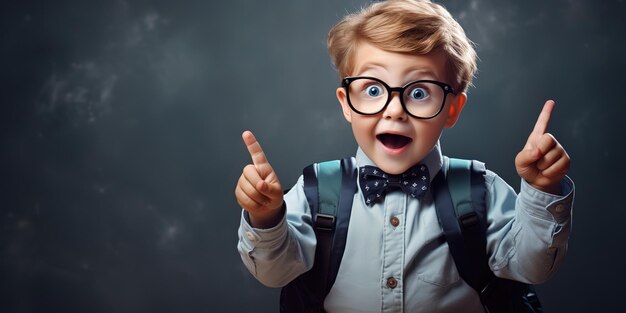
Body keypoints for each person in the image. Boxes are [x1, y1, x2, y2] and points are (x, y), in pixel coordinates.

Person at [234, 0, 574, 312]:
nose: (395, 110)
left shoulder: (480, 191)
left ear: (452, 109)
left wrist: (542, 189)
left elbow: (533, 266)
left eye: (419, 92)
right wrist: (266, 218)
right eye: (372, 89)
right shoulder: (315, 193)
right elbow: (274, 273)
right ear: (346, 103)